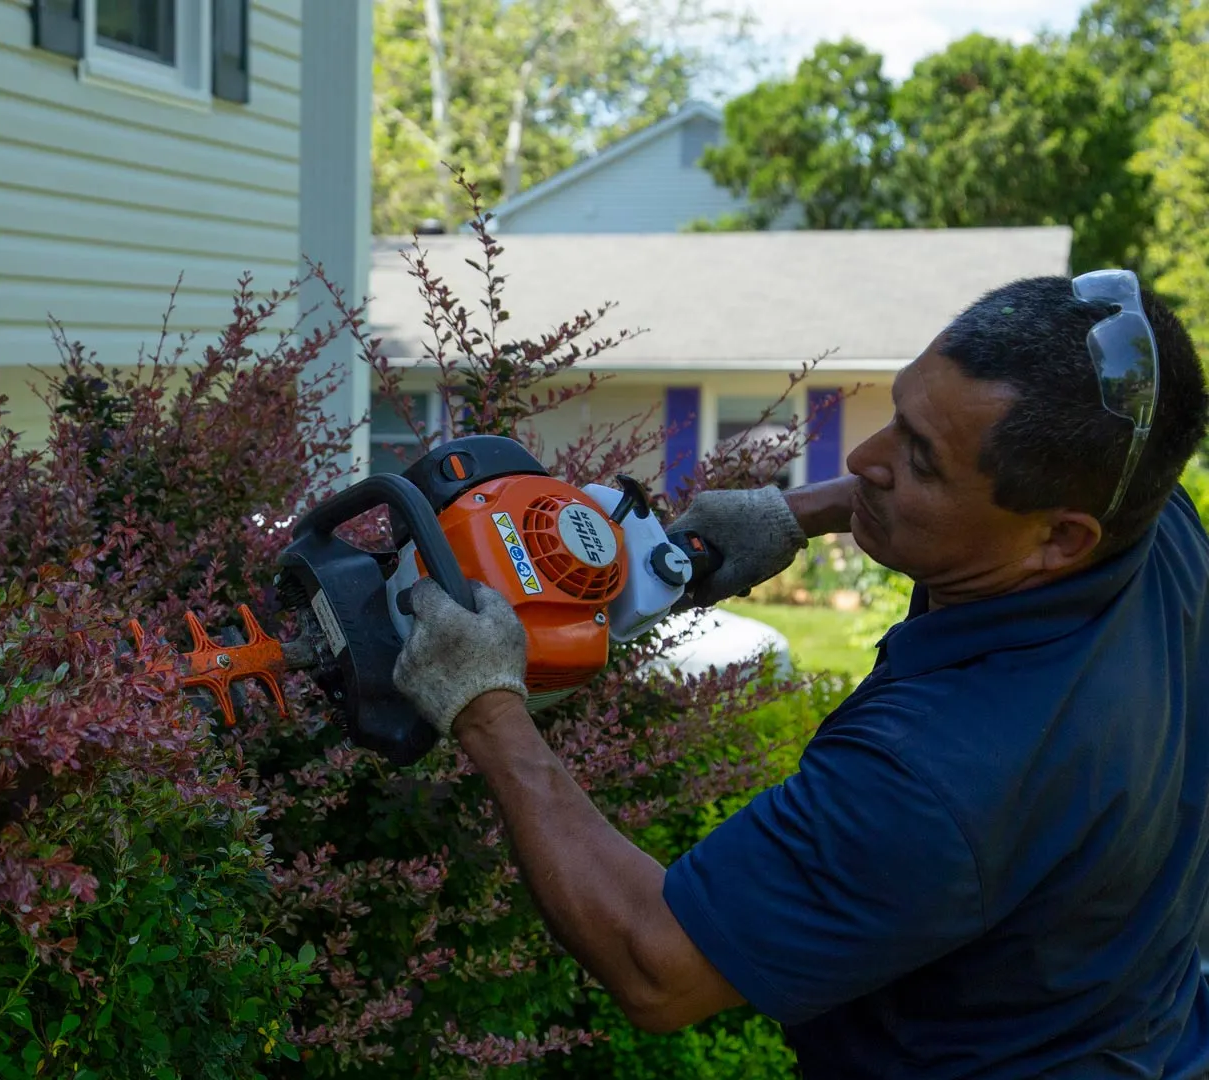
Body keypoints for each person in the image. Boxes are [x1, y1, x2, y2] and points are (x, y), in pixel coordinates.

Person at [391, 272, 1209, 1078]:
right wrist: (801, 513)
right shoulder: (1152, 520)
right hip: (1148, 1029)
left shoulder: (935, 774)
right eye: (899, 418)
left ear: (1058, 539)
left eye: (919, 462)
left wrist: (485, 703)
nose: (864, 455)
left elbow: (658, 966)